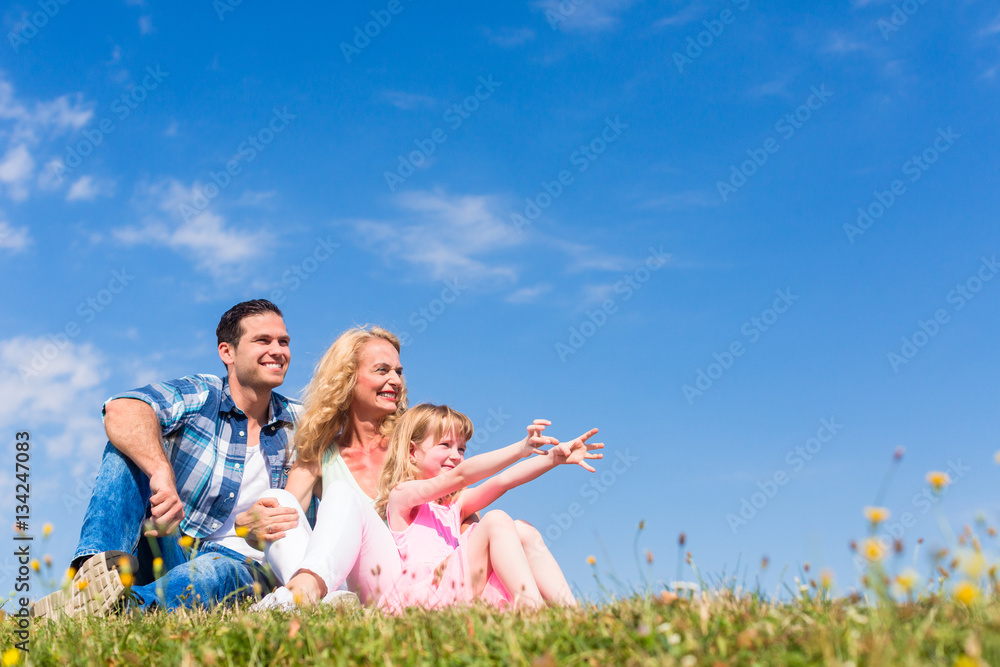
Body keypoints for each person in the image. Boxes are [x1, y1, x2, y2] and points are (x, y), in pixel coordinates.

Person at [33, 299, 300, 618]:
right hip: (172, 545)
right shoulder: (205, 394)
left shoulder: (301, 421)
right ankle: (92, 578)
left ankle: (120, 610)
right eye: (263, 340)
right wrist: (160, 471)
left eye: (283, 341)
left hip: (246, 567)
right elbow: (121, 409)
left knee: (210, 570)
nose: (278, 351)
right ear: (227, 352)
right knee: (127, 447)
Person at [376, 403, 602, 611]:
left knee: (523, 529)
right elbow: (461, 476)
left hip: (459, 588)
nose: (455, 456)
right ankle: (533, 611)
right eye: (445, 445)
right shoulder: (402, 497)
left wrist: (553, 458)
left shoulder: (455, 505)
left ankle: (572, 613)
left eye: (461, 449)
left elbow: (502, 482)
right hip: (426, 598)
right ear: (412, 452)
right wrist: (520, 449)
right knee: (495, 520)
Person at [248, 326, 408, 609]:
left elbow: (463, 512)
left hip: (399, 582)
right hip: (345, 585)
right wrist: (247, 527)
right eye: (382, 370)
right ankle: (325, 603)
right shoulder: (322, 454)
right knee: (276, 501)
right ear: (348, 378)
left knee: (342, 494)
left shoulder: (413, 445)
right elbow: (280, 517)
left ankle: (296, 597)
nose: (395, 380)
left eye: (398, 371)